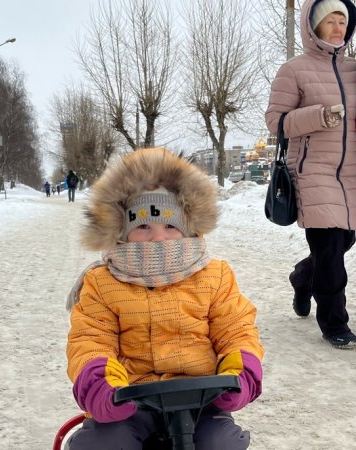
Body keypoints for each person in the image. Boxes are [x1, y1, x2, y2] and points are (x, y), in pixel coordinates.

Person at [65, 148, 263, 450]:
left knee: (220, 443)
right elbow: (91, 339)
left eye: (170, 226)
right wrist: (100, 384)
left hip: (202, 400)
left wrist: (240, 372)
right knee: (102, 443)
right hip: (130, 399)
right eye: (143, 226)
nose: (158, 238)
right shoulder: (102, 282)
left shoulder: (215, 275)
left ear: (187, 229)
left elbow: (236, 330)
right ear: (122, 231)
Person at [265, 0, 356, 349]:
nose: (338, 27)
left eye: (343, 20)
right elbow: (276, 123)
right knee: (328, 249)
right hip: (312, 169)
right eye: (330, 21)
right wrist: (318, 116)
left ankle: (301, 277)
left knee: (345, 242)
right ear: (313, 25)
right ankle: (335, 323)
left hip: (350, 169)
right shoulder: (293, 69)